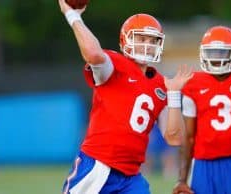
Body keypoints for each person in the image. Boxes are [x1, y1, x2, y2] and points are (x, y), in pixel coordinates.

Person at [58, 0, 193, 193]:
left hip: (131, 176)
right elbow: (94, 55)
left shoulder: (163, 85)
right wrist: (73, 16)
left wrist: (173, 96)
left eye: (151, 40)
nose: (146, 45)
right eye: (140, 39)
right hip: (97, 166)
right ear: (125, 40)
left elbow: (175, 138)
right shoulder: (115, 65)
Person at [172, 26, 231, 194]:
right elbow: (188, 138)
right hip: (203, 165)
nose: (217, 58)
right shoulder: (192, 84)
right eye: (212, 53)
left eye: (222, 53)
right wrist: (181, 179)